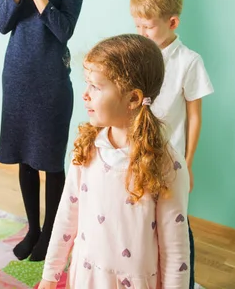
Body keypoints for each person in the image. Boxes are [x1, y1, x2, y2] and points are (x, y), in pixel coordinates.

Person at [41, 34, 190, 288]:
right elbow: (67, 215)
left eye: (96, 87)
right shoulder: (87, 147)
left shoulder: (166, 164)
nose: (85, 95)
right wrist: (49, 275)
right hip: (86, 276)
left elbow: (175, 251)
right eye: (87, 84)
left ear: (133, 98)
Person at [0, 0, 88, 262]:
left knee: (49, 160)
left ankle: (51, 233)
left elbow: (63, 29)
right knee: (25, 159)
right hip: (16, 75)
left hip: (50, 81)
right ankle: (33, 228)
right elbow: (2, 24)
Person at [131, 0, 214, 287]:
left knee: (176, 228)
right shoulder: (138, 54)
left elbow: (194, 117)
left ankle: (185, 282)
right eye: (137, 26)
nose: (140, 34)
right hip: (136, 154)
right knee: (140, 223)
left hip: (171, 161)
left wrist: (188, 163)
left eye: (147, 27)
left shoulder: (189, 62)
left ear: (172, 22)